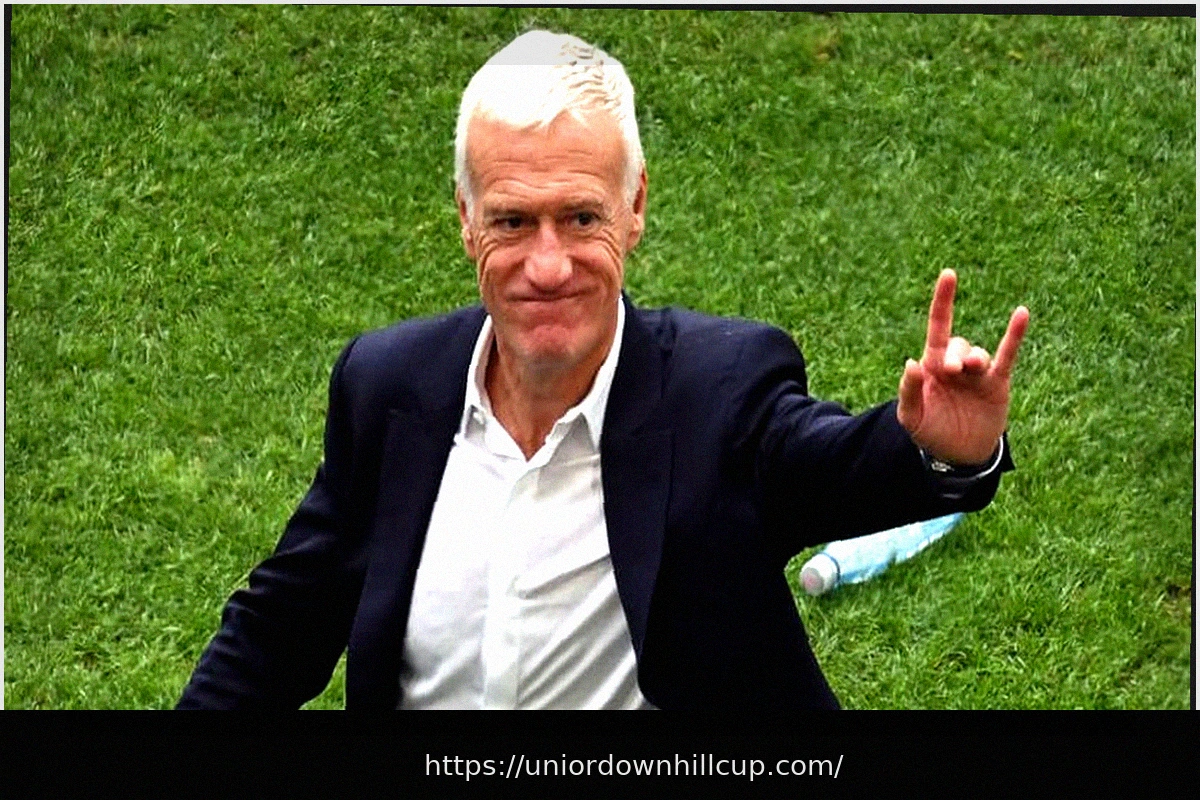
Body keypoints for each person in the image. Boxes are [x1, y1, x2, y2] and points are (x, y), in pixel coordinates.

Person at [178, 30, 1029, 710]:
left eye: (581, 218)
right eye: (512, 222)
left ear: (635, 207)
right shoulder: (387, 385)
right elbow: (279, 627)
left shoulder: (720, 392)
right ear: (466, 220)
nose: (548, 266)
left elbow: (833, 465)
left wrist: (938, 450)